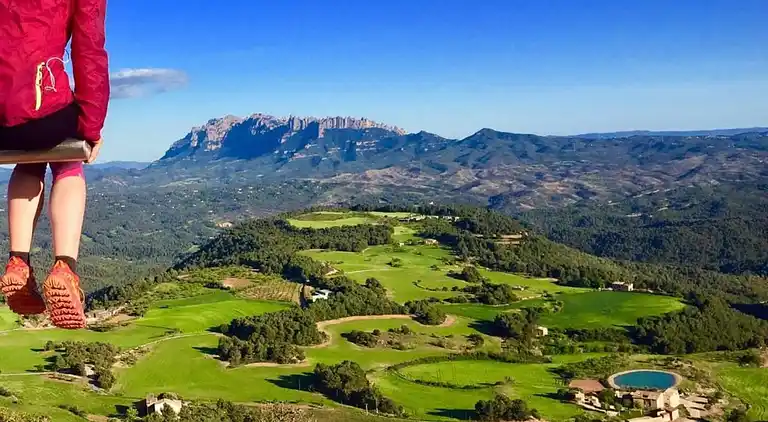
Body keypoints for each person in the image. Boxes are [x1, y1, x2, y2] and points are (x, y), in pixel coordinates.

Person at [0, 0, 109, 329]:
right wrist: (91, 129)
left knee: (28, 162)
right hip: (43, 100)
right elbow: (89, 49)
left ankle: (19, 261)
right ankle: (65, 266)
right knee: (67, 162)